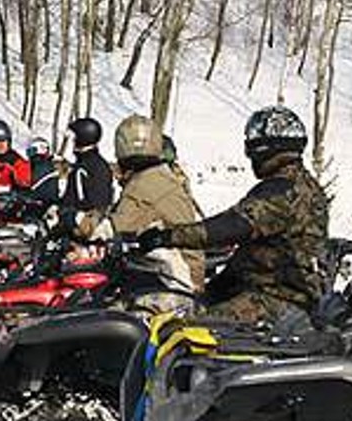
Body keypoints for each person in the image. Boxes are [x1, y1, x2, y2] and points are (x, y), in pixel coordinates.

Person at [134, 106, 329, 323]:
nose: (250, 156)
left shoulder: (280, 191)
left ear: (266, 148)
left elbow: (231, 226)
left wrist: (165, 237)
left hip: (274, 300)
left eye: (252, 148)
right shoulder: (305, 186)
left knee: (183, 331)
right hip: (279, 293)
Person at [103, 114, 204, 312]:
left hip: (173, 281)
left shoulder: (147, 182)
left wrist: (80, 223)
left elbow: (115, 225)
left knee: (111, 323)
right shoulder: (157, 176)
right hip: (171, 272)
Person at [61, 116, 115, 238]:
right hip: (96, 224)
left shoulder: (82, 169)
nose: (73, 143)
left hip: (82, 228)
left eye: (75, 139)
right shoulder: (101, 163)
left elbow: (76, 201)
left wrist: (65, 215)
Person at [24, 135, 60, 205]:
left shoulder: (42, 167)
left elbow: (36, 189)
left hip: (41, 206)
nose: (30, 155)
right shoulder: (44, 165)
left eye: (32, 151)